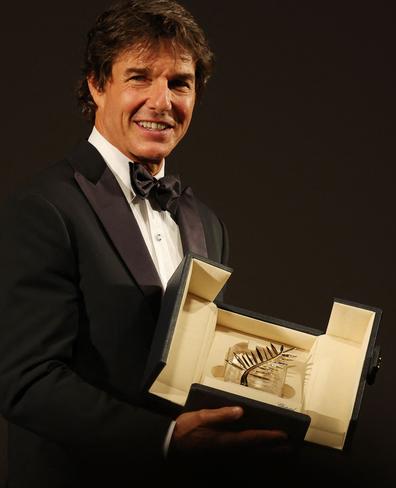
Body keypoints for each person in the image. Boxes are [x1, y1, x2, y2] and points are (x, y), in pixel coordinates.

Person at [0, 1, 287, 486]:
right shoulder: (44, 208)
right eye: (139, 77)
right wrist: (164, 439)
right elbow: (24, 381)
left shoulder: (206, 223)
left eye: (180, 82)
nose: (162, 101)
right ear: (96, 84)